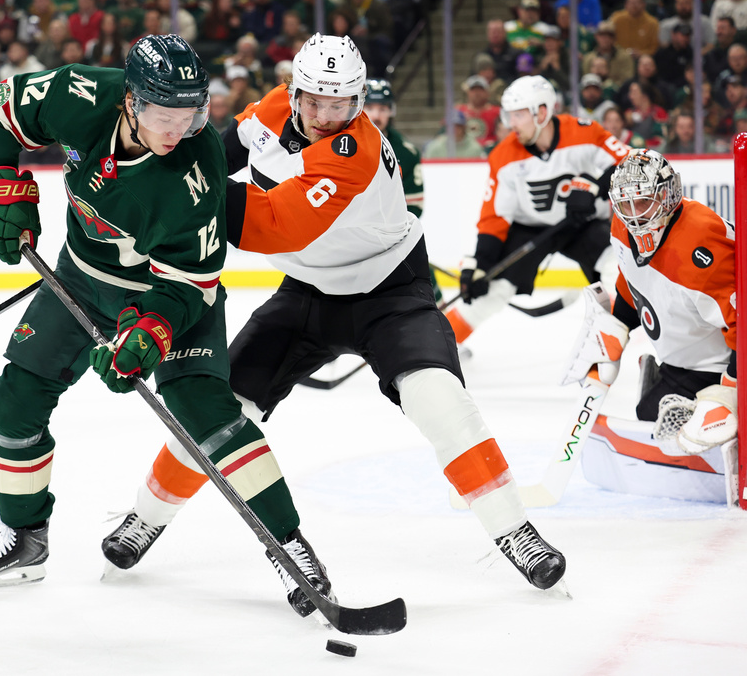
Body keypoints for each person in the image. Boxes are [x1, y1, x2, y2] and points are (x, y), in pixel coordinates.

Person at [102, 34, 567, 595]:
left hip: (391, 291)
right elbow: (213, 155)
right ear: (295, 91)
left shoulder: (357, 153)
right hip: (306, 291)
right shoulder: (275, 107)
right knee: (219, 411)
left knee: (438, 399)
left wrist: (166, 200)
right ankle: (144, 519)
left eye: (341, 105)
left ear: (360, 102)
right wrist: (153, 174)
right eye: (314, 102)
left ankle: (514, 530)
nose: (325, 116)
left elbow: (274, 223)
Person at [0, 34, 335, 619]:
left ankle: (289, 547)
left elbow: (190, 283)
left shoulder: (197, 166)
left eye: (192, 113)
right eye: (162, 113)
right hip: (79, 278)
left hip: (171, 297)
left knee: (210, 417)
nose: (177, 129)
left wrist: (149, 332)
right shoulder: (78, 93)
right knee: (12, 403)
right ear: (130, 100)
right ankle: (25, 539)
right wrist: (1, 183)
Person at [562, 149, 737, 503]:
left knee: (721, 430)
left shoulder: (703, 241)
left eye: (643, 203)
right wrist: (618, 327)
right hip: (684, 359)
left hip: (722, 365)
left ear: (669, 196)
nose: (633, 216)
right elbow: (633, 281)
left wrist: (730, 391)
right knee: (649, 415)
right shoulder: (621, 225)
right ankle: (664, 377)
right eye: (625, 205)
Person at [444, 76, 627, 348]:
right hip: (530, 228)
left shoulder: (585, 132)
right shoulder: (504, 156)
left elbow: (632, 162)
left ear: (542, 112)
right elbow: (495, 217)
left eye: (517, 115)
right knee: (490, 293)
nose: (510, 124)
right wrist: (482, 264)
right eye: (508, 115)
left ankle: (610, 344)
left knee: (618, 268)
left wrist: (596, 188)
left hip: (582, 225)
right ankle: (437, 347)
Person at [364, 77, 439, 303]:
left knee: (421, 272)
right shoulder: (338, 144)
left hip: (389, 237)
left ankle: (437, 315)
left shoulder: (406, 153)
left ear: (391, 111)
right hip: (349, 237)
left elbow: (414, 205)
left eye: (383, 108)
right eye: (370, 107)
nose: (376, 115)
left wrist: (387, 231)